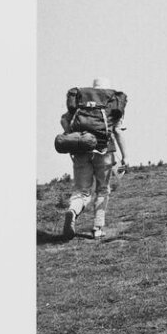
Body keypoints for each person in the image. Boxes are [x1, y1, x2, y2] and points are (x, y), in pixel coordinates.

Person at [62, 77, 128, 239]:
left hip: (81, 149)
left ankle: (73, 211)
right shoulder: (112, 102)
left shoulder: (81, 101)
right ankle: (97, 228)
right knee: (102, 190)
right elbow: (118, 131)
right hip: (105, 151)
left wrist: (74, 136)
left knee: (82, 191)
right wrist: (125, 156)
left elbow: (64, 120)